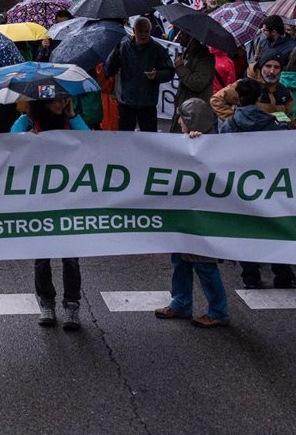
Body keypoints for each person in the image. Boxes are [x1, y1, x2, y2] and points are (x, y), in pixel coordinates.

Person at [216, 78, 296, 290]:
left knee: (247, 229)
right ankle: (282, 275)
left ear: (238, 97)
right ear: (259, 97)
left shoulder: (229, 125)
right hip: (270, 185)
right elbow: (290, 150)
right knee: (275, 229)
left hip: (241, 186)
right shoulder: (273, 124)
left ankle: (251, 277)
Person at [10, 96, 86, 330]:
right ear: (44, 102)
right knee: (42, 256)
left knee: (70, 257)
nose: (62, 105)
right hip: (40, 200)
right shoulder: (28, 122)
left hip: (68, 198)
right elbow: (10, 140)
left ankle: (71, 306)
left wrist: (73, 115)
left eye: (65, 100)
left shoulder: (69, 120)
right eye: (58, 101)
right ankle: (47, 304)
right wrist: (25, 131)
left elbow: (91, 140)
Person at [156, 98, 229, 328]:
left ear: (191, 120)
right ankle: (181, 302)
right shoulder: (183, 142)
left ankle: (218, 310)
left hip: (203, 217)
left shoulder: (212, 145)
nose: (178, 121)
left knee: (205, 265)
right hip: (184, 213)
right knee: (180, 260)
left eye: (182, 118)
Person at [104, 17, 174, 132]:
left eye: (146, 31)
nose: (143, 34)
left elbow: (170, 71)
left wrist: (157, 75)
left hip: (147, 104)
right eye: (140, 31)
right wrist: (115, 53)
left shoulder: (157, 49)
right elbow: (108, 71)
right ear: (134, 31)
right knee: (125, 139)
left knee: (149, 141)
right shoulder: (123, 47)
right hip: (126, 103)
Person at [210, 50, 294, 122]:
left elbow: (287, 118)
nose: (272, 71)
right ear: (260, 67)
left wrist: (295, 123)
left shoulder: (284, 92)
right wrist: (235, 120)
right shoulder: (246, 85)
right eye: (268, 66)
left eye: (276, 67)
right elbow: (216, 100)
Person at [169, 34, 214, 132]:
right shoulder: (189, 53)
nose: (180, 36)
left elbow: (198, 84)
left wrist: (180, 68)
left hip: (194, 114)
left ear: (192, 37)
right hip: (186, 109)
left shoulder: (204, 57)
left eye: (184, 34)